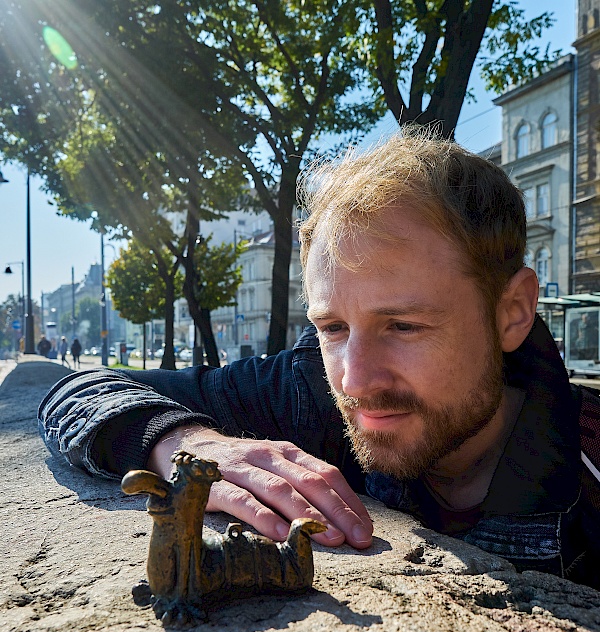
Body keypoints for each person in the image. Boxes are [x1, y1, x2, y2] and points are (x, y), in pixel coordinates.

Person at [38, 130, 600, 589]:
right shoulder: (307, 388)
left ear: (512, 313)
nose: (353, 380)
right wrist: (189, 445)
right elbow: (77, 392)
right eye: (332, 327)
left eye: (402, 325)